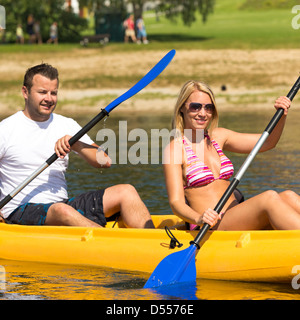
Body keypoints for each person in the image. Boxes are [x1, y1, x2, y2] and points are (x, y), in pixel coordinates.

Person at [0, 63, 154, 229]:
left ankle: (155, 247)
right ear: (25, 92)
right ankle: (110, 245)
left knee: (127, 192)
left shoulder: (66, 124)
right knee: (62, 210)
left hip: (62, 205)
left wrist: (76, 144)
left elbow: (104, 161)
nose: (49, 98)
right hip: (19, 211)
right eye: (42, 92)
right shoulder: (6, 129)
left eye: (54, 93)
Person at [164, 80, 300, 231]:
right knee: (269, 197)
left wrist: (282, 115)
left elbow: (268, 142)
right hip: (210, 225)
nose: (203, 113)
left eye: (209, 108)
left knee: (289, 196)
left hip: (235, 216)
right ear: (182, 108)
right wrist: (199, 218)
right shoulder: (175, 149)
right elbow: (176, 202)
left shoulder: (219, 136)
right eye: (195, 106)